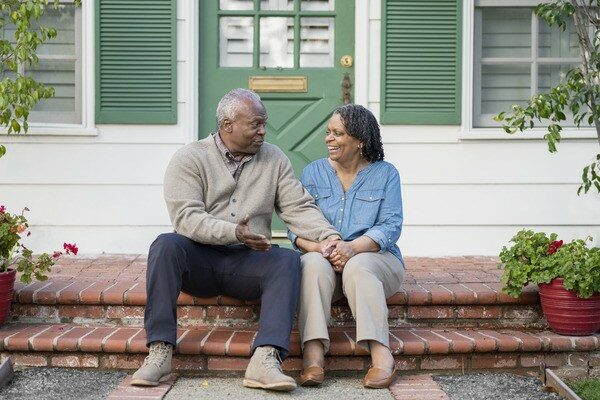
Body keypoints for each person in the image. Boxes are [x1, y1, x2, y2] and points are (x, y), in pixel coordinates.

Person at [131, 88, 340, 392]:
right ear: (228, 125)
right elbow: (186, 218)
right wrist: (233, 231)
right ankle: (159, 352)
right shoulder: (189, 158)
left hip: (247, 263)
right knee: (165, 245)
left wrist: (329, 237)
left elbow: (298, 207)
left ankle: (265, 359)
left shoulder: (274, 158)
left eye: (264, 124)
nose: (263, 131)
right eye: (255, 124)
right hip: (199, 259)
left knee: (287, 259)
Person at [289, 104, 405, 389]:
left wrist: (352, 248)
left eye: (338, 133)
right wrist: (319, 249)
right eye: (328, 132)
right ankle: (313, 358)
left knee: (359, 265)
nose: (329, 138)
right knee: (310, 264)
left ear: (359, 140)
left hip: (375, 261)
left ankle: (381, 356)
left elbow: (390, 227)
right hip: (325, 261)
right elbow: (296, 227)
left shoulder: (385, 174)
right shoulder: (313, 172)